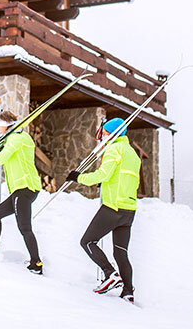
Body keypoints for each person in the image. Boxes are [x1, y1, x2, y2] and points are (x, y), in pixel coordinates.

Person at [65, 117, 141, 304]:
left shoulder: (114, 149)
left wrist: (79, 177)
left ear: (113, 134)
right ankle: (128, 291)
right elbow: (126, 178)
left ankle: (110, 274)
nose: (103, 136)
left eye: (106, 133)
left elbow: (104, 174)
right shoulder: (132, 153)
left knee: (87, 241)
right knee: (120, 252)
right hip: (129, 209)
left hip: (113, 206)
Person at [0, 110, 43, 274]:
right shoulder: (18, 137)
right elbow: (8, 155)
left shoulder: (16, 139)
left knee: (25, 228)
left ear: (7, 126)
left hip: (24, 188)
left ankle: (36, 263)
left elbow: (1, 159)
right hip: (23, 189)